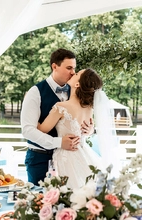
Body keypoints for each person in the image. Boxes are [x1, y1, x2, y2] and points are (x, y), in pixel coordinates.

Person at [20, 48, 94, 186]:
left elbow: (79, 121)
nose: (73, 72)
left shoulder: (76, 91)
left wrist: (89, 130)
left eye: (74, 69)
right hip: (40, 159)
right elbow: (27, 131)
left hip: (70, 161)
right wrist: (59, 142)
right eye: (69, 68)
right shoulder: (35, 92)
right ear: (55, 66)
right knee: (41, 203)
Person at [37, 68, 113, 189]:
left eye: (77, 74)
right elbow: (85, 130)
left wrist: (31, 110)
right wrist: (91, 131)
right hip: (85, 155)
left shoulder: (61, 107)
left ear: (77, 84)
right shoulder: (89, 108)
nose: (73, 73)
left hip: (66, 157)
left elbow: (42, 129)